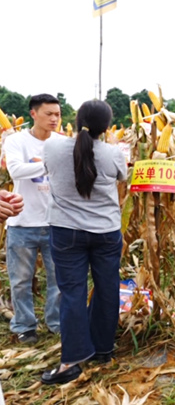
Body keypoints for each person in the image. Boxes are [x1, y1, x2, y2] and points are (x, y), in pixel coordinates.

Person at [40, 100, 127, 385]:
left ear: (77, 121)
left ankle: (71, 361)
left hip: (66, 231)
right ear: (106, 126)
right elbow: (122, 176)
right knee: (107, 288)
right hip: (106, 232)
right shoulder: (113, 153)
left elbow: (50, 170)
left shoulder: (52, 147)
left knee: (72, 293)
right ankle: (103, 349)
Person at [3, 93, 63, 344]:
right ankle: (25, 325)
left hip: (55, 222)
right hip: (22, 222)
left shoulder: (63, 142)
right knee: (20, 281)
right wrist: (50, 164)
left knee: (58, 280)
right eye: (49, 114)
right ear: (33, 114)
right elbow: (16, 170)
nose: (54, 119)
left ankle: (56, 322)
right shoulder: (16, 141)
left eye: (57, 114)